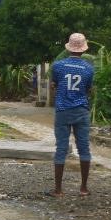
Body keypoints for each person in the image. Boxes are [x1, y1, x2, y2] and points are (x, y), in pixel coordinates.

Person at [48, 32, 94, 198]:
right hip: (81, 110)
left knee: (61, 148)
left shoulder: (58, 66)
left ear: (68, 48)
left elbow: (54, 84)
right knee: (84, 148)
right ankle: (83, 188)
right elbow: (88, 89)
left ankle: (58, 189)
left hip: (63, 110)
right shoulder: (89, 68)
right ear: (83, 49)